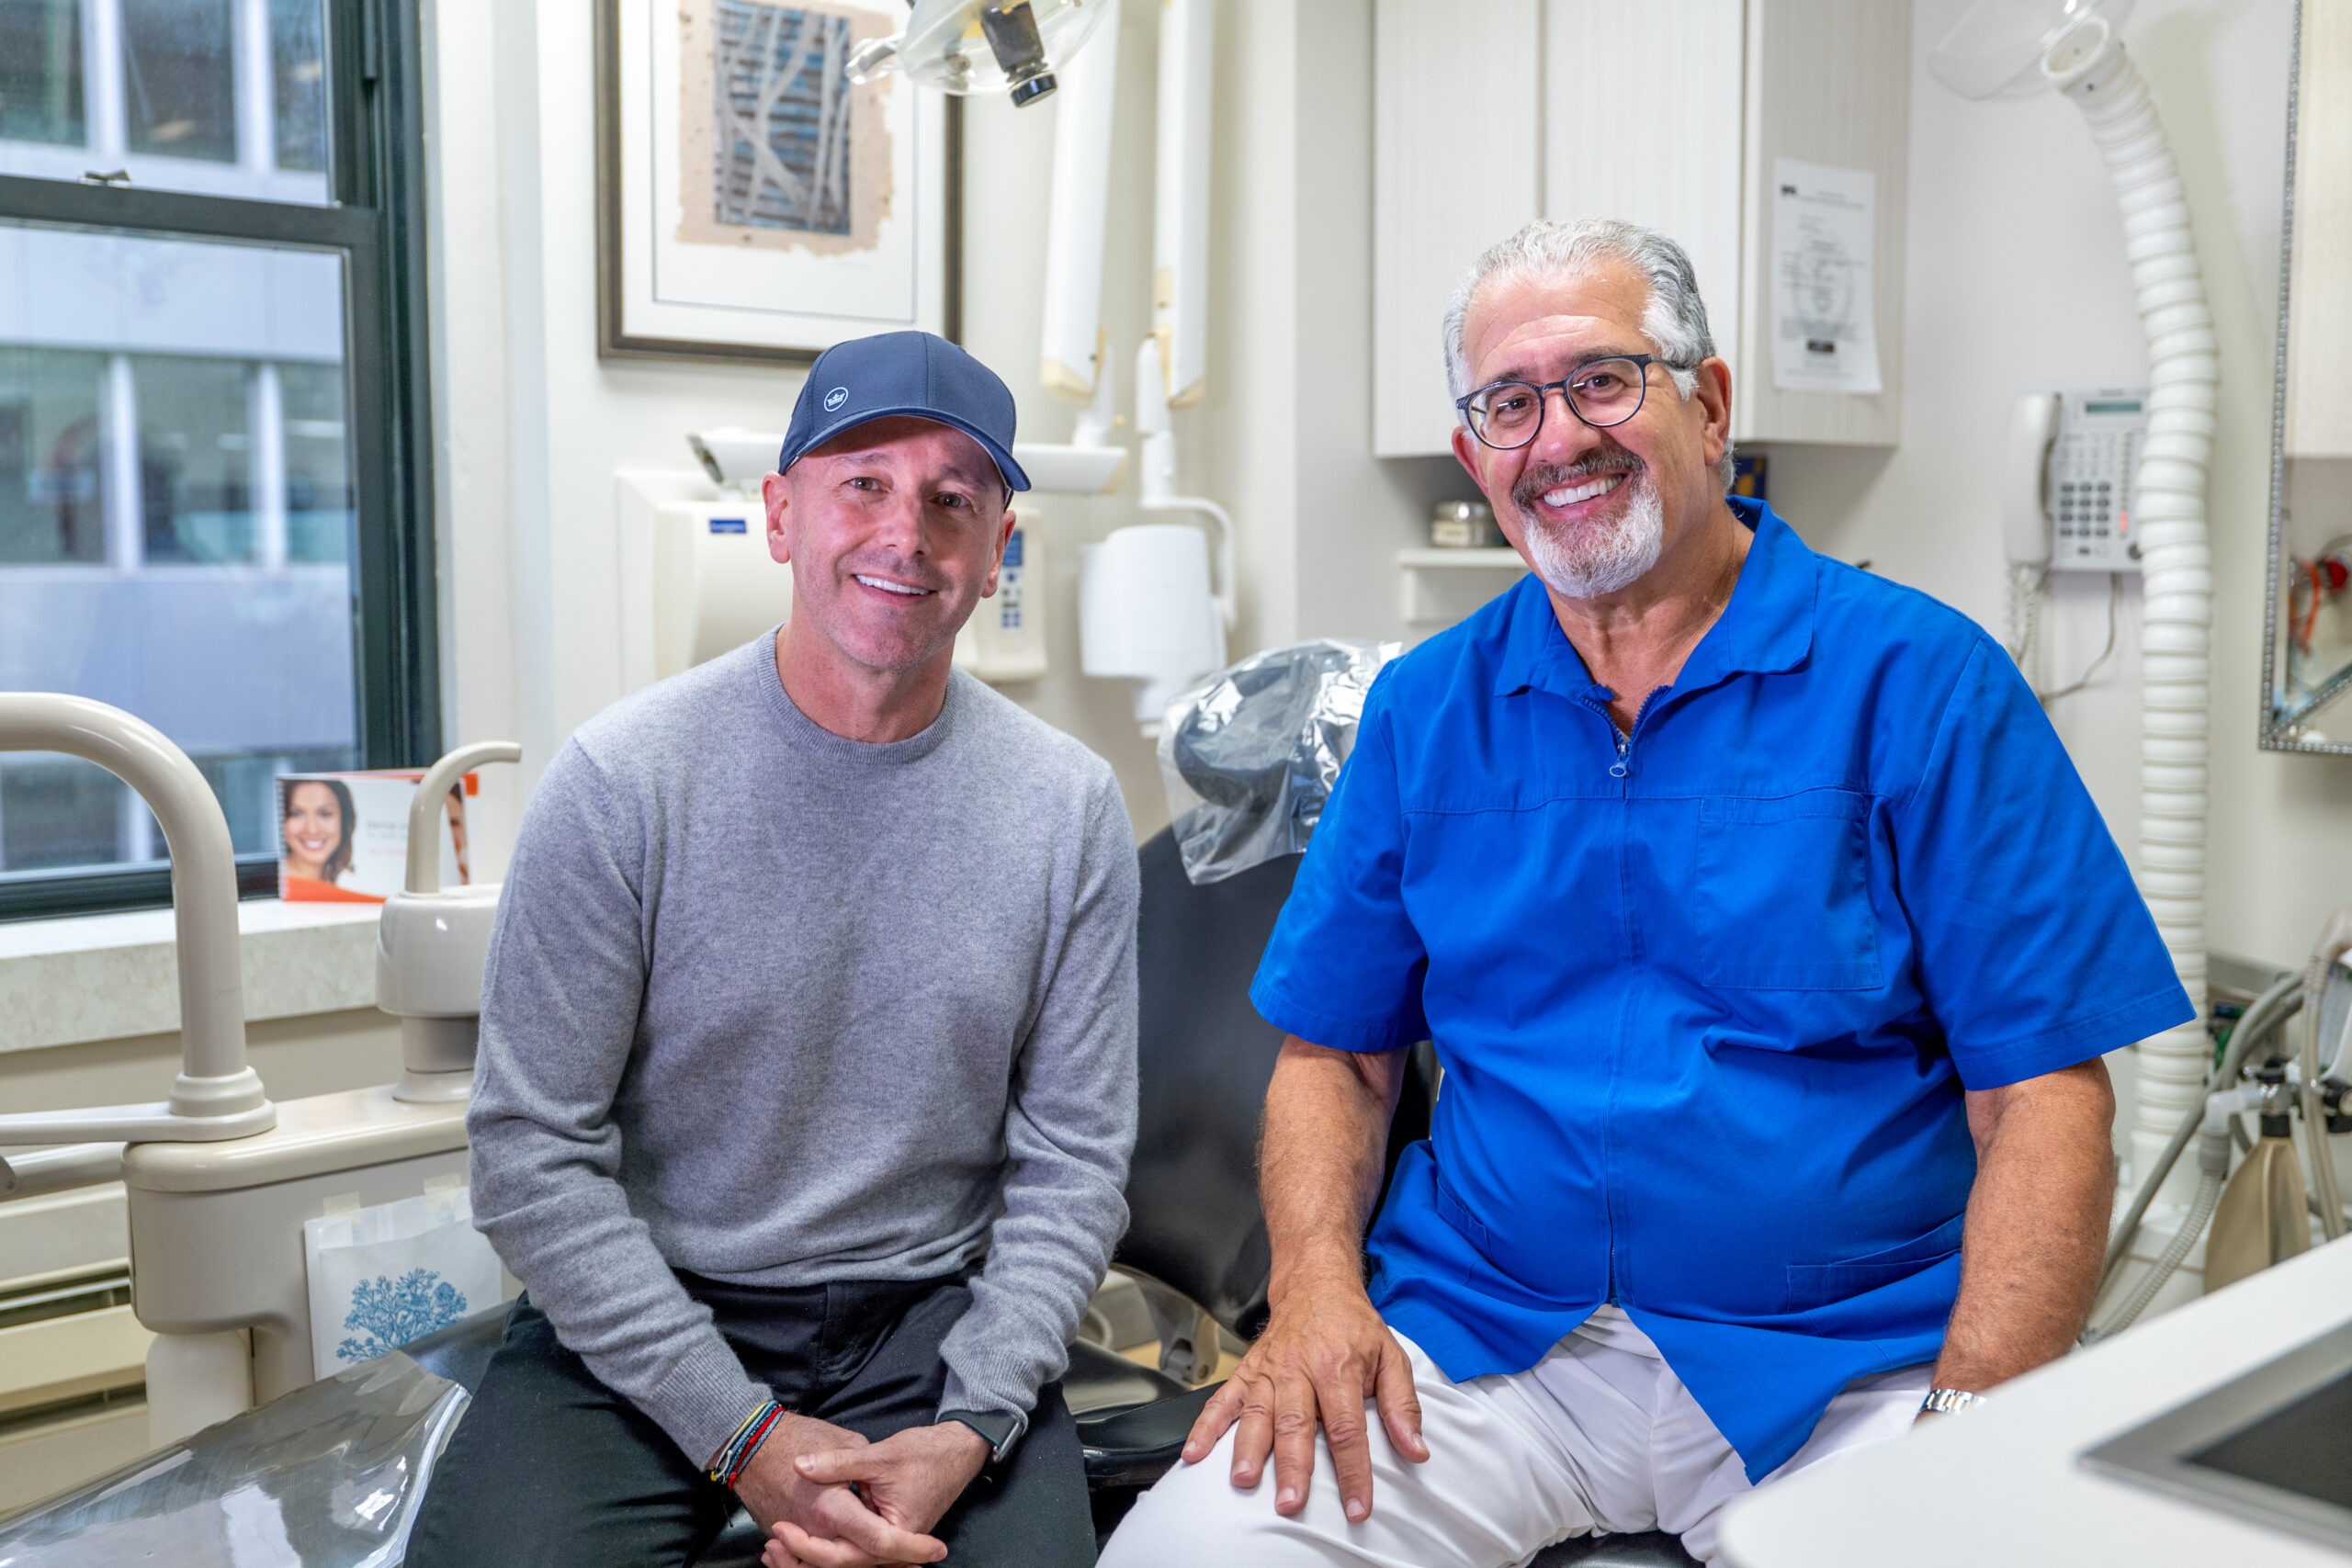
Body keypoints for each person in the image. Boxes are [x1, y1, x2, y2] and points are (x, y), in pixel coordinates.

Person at [1099, 219, 2192, 1568]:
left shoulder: (1921, 683)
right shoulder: (1429, 712)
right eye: (1511, 402)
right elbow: (1338, 1054)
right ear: (1475, 456)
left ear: (1711, 401)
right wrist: (1317, 1293)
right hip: (1485, 1342)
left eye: (1603, 380)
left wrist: (1973, 1409)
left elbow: (2042, 1093)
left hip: (1851, 1361)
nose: (1558, 437)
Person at [409, 331, 1138, 1568]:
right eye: (863, 482)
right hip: (649, 1308)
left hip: (930, 1318)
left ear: (998, 544)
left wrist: (971, 1419)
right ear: (780, 515)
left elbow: (1074, 1162)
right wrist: (741, 1430)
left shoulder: (1066, 807)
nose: (907, 532)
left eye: (953, 498)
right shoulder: (623, 783)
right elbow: (532, 1158)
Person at [278, 776, 355, 888]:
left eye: (325, 813)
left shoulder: (344, 886)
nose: (312, 830)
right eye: (297, 814)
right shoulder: (273, 886)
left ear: (344, 820)